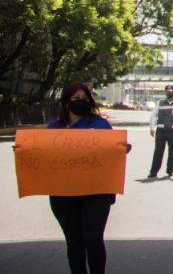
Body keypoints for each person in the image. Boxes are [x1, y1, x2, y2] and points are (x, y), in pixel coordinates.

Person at [25, 83, 131, 274]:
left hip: (96, 193)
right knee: (74, 241)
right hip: (63, 194)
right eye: (75, 99)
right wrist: (23, 151)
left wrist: (123, 148)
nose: (80, 101)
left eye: (83, 97)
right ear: (66, 103)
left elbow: (112, 152)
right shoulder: (54, 128)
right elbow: (41, 154)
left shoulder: (100, 125)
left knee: (93, 238)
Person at [148, 84, 173, 179]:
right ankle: (153, 171)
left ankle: (170, 170)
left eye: (171, 91)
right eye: (167, 91)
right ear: (165, 92)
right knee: (158, 152)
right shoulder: (160, 103)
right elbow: (154, 115)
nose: (169, 92)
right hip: (161, 131)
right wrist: (152, 128)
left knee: (172, 152)